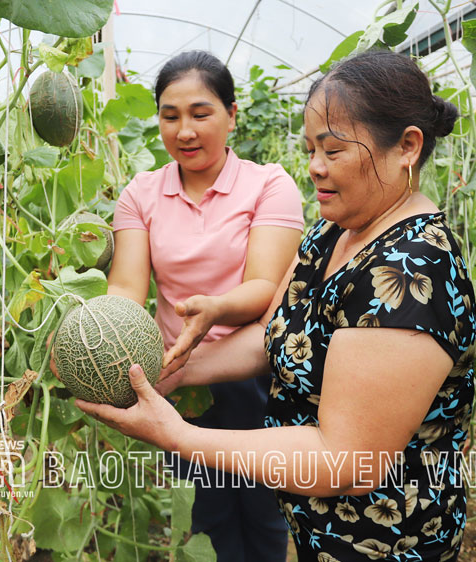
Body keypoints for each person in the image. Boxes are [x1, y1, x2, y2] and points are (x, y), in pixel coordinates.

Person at [80, 50, 476, 562]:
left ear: (407, 146)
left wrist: (176, 434)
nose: (314, 168)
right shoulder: (332, 234)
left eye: (333, 151)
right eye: (311, 148)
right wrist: (175, 371)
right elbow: (273, 334)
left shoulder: (410, 271)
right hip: (319, 532)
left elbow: (346, 461)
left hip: (385, 543)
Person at [107, 50, 305, 560]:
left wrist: (214, 308)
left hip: (257, 371)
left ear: (232, 114)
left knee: (264, 511)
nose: (185, 131)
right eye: (170, 116)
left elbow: (266, 286)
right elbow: (126, 289)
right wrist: (99, 335)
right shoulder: (140, 194)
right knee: (206, 516)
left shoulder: (269, 185)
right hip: (179, 377)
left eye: (200, 113)